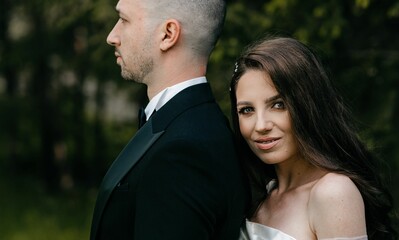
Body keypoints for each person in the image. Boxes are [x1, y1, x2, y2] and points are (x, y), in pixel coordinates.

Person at [89, 0, 248, 239]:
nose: (112, 36)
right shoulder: (186, 124)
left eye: (124, 20)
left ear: (168, 34)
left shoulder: (185, 151)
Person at [229, 36, 396, 240]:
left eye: (278, 105)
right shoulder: (257, 194)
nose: (261, 125)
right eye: (247, 110)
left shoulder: (333, 193)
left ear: (308, 106)